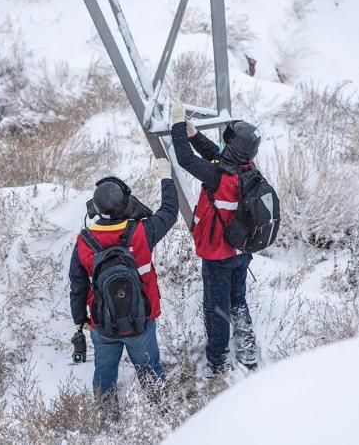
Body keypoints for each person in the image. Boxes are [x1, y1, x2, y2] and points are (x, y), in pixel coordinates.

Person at [69, 158, 177, 404]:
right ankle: (162, 416)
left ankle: (107, 423)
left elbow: (78, 284)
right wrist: (166, 177)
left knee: (104, 376)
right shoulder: (143, 231)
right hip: (141, 320)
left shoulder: (84, 240)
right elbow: (170, 211)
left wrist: (81, 320)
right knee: (151, 373)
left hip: (102, 323)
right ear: (125, 205)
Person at [169, 100, 261, 374]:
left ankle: (218, 362)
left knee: (216, 308)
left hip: (218, 256)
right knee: (238, 300)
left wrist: (175, 125)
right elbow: (216, 155)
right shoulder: (249, 169)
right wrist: (193, 134)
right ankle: (248, 353)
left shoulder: (218, 177)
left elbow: (185, 160)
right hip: (241, 251)